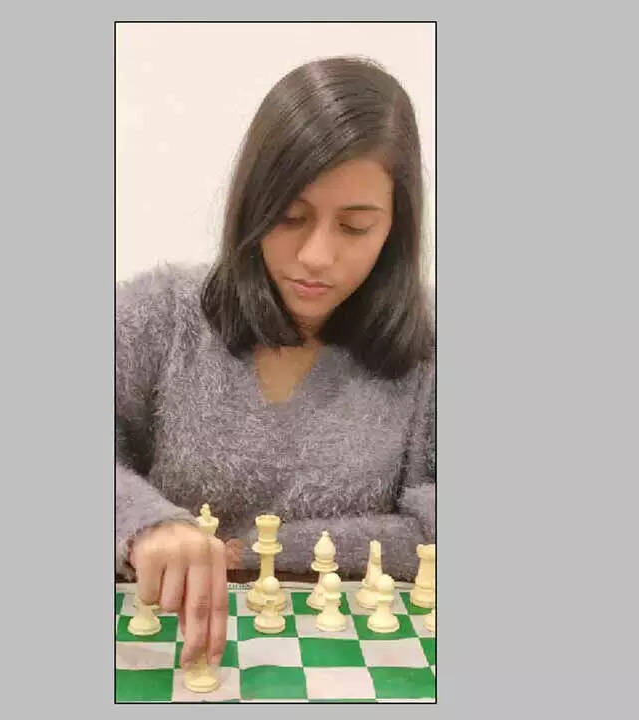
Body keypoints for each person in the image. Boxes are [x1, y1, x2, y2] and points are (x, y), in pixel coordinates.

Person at [116, 56, 435, 674]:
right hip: (160, 658)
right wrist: (143, 521)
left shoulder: (433, 345)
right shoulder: (159, 314)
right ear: (250, 205)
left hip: (363, 666)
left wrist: (259, 549)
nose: (316, 256)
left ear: (396, 227)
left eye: (355, 226)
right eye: (289, 217)